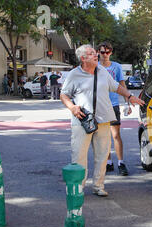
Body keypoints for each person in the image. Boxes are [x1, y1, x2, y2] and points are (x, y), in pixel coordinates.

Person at [60, 44, 145, 197]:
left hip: (104, 119)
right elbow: (64, 95)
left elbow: (116, 87)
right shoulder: (74, 74)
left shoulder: (102, 71)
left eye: (95, 52)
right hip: (83, 121)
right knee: (79, 155)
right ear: (83, 58)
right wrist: (72, 107)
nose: (96, 55)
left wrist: (130, 96)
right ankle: (77, 187)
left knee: (103, 155)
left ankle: (98, 186)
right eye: (92, 53)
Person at [97, 41, 130, 176]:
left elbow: (121, 84)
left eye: (108, 52)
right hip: (100, 105)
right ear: (98, 53)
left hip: (114, 104)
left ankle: (121, 162)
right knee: (103, 136)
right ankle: (108, 162)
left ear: (111, 52)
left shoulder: (116, 67)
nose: (105, 55)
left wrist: (127, 102)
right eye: (102, 52)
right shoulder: (95, 66)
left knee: (116, 135)